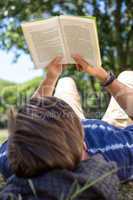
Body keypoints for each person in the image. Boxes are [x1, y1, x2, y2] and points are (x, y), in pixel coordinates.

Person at [0, 54, 132, 199]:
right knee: (127, 76)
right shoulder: (115, 151)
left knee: (65, 82)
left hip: (63, 124)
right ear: (83, 146)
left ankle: (58, 79)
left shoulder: (12, 160)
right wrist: (105, 77)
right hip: (103, 129)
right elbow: (28, 123)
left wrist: (50, 77)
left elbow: (28, 125)